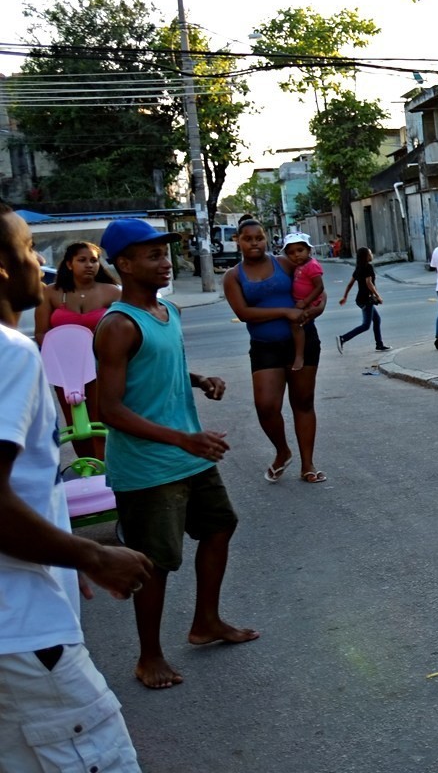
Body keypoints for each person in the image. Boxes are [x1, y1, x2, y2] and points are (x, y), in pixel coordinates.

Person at [0, 203, 151, 771]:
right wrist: (90, 554)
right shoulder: (9, 353)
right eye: (26, 250)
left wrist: (58, 550)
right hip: (21, 630)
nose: (38, 264)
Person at [94, 217, 260, 690]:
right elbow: (110, 408)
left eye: (165, 254)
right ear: (123, 264)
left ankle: (206, 621)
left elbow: (159, 366)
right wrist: (182, 438)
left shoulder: (168, 313)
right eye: (152, 256)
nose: (165, 263)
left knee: (220, 525)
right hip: (149, 465)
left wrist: (200, 379)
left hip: (189, 453)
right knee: (154, 562)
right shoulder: (118, 325)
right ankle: (149, 657)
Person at [224, 218, 327, 484]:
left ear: (266, 238)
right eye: (248, 239)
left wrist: (316, 308)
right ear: (239, 241)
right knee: (266, 406)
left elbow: (317, 288)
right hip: (264, 347)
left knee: (303, 402)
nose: (254, 243)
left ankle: (308, 464)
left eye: (259, 237)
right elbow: (244, 313)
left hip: (302, 342)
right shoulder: (233, 276)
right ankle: (283, 451)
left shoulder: (285, 264)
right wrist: (284, 311)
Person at [33, 240, 121, 460]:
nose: (89, 265)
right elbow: (41, 333)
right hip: (66, 372)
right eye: (82, 260)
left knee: (101, 419)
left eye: (94, 260)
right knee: (76, 424)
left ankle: (108, 470)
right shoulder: (50, 293)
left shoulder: (113, 292)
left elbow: (126, 329)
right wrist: (59, 355)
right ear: (69, 264)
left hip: (103, 367)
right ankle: (87, 468)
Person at [283, 234, 326, 371]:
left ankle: (299, 356)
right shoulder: (299, 265)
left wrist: (305, 301)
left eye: (300, 250)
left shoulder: (312, 265)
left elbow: (320, 287)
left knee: (296, 324)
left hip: (309, 302)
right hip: (301, 301)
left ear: (309, 250)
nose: (296, 255)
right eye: (291, 253)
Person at [336, 246, 390, 353]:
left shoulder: (359, 268)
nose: (372, 255)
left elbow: (350, 284)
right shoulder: (368, 267)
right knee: (365, 325)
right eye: (370, 253)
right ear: (366, 256)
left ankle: (379, 344)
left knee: (377, 320)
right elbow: (369, 283)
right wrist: (378, 295)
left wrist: (345, 297)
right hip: (366, 299)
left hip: (361, 299)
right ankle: (343, 338)